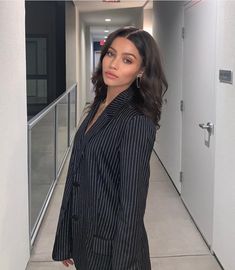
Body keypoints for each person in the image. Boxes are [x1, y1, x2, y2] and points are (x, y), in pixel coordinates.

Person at [52, 26, 168, 270]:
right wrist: (67, 238)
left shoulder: (136, 120)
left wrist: (122, 264)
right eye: (110, 54)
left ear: (142, 70)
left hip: (112, 253)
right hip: (86, 239)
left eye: (127, 60)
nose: (113, 64)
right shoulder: (99, 104)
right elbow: (76, 176)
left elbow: (132, 205)